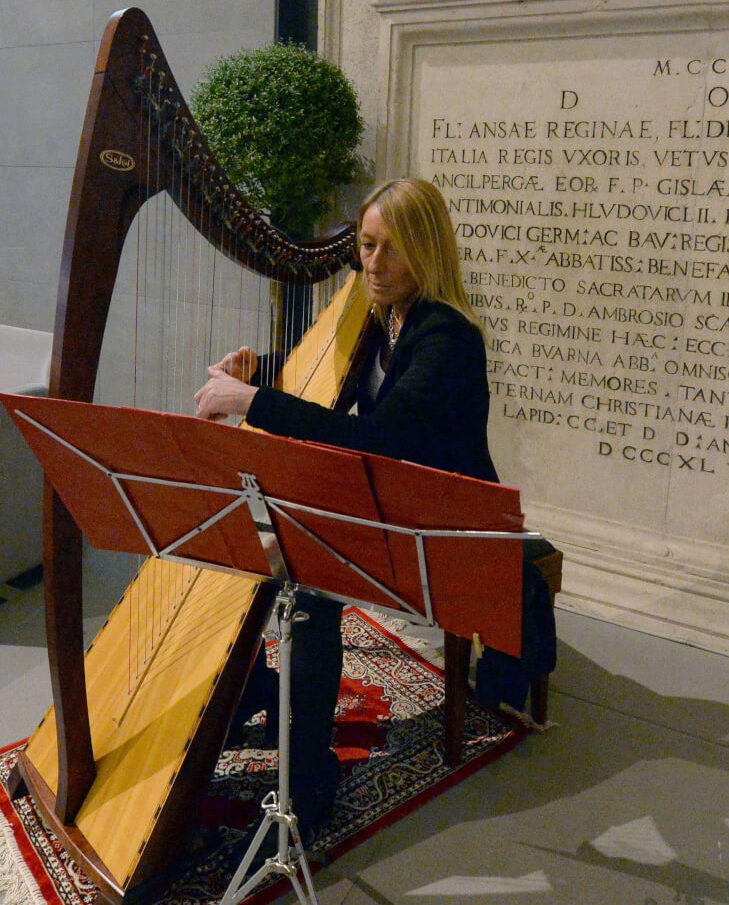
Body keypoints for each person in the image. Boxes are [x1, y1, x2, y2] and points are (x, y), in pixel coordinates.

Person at [195, 177, 549, 843]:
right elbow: (321, 367)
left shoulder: (448, 338)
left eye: (391, 248)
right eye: (365, 246)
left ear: (427, 250)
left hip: (448, 523)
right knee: (264, 543)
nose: (373, 264)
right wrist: (256, 369)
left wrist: (252, 404)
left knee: (309, 581)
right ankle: (259, 692)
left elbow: (376, 439)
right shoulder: (381, 316)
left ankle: (308, 784)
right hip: (396, 505)